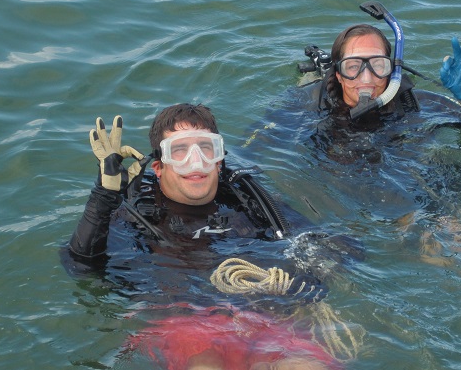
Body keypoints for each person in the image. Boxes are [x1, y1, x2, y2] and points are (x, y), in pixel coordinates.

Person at [65, 103, 361, 369]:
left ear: (219, 160)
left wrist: (307, 274)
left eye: (205, 148)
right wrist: (103, 197)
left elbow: (335, 245)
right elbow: (81, 265)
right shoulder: (136, 212)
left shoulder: (246, 199)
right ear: (159, 166)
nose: (196, 162)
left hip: (263, 315)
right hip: (184, 321)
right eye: (179, 150)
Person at [301, 24, 461, 133]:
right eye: (353, 67)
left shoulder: (413, 103)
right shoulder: (309, 105)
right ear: (339, 75)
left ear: (391, 70)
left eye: (378, 65)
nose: (366, 78)